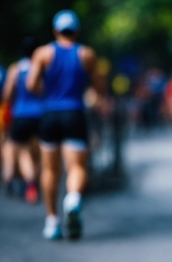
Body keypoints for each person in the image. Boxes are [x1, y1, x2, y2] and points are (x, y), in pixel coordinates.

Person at [26, 9, 105, 240]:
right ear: (77, 31)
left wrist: (47, 92)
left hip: (49, 114)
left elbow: (31, 84)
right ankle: (72, 199)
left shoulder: (43, 53)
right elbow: (99, 87)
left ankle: (51, 222)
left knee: (50, 169)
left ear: (55, 30)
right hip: (74, 114)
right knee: (77, 167)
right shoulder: (86, 54)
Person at [1, 36, 43, 203]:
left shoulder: (15, 69)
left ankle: (30, 183)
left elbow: (7, 95)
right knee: (40, 153)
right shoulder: (42, 67)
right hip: (41, 115)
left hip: (20, 115)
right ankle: (35, 183)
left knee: (23, 151)